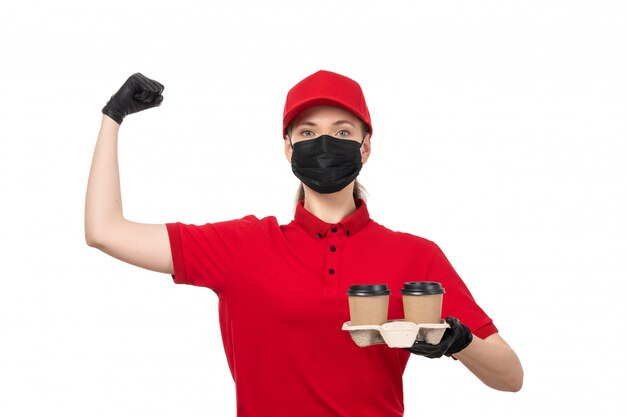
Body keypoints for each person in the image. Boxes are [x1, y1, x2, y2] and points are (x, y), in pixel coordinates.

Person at [85, 70, 523, 417]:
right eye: (308, 133)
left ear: (366, 147)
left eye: (343, 132)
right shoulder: (242, 245)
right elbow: (104, 231)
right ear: (288, 148)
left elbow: (510, 376)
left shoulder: (416, 255)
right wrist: (112, 118)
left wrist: (458, 342)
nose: (326, 143)